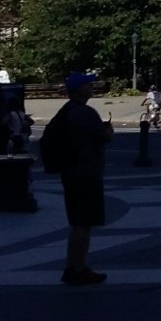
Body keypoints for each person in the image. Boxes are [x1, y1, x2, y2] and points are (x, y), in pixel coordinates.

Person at [59, 72, 114, 285]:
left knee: (77, 223)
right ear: (80, 89)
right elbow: (105, 137)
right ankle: (78, 268)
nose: (92, 87)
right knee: (84, 223)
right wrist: (108, 130)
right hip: (86, 173)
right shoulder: (85, 113)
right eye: (88, 84)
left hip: (71, 172)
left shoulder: (66, 111)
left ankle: (73, 266)